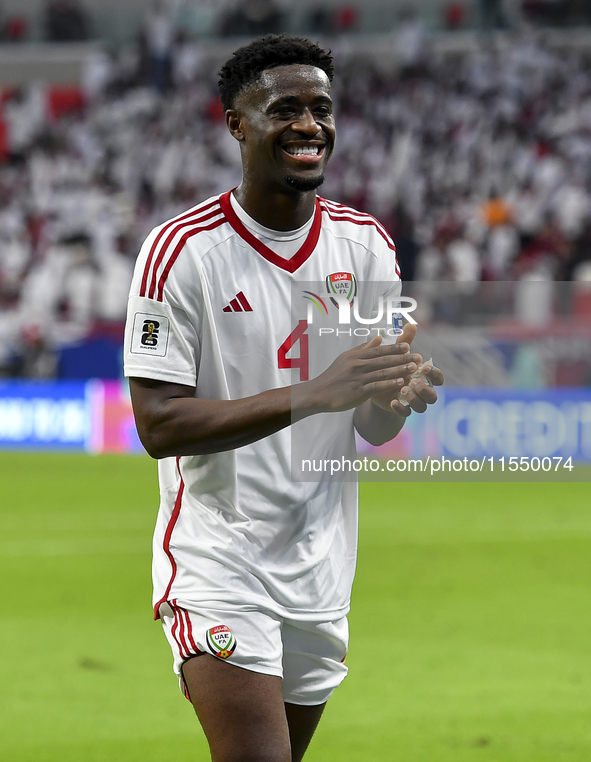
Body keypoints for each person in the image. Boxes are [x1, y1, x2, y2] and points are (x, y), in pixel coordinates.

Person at [124, 34, 443, 762]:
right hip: (218, 556)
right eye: (285, 108)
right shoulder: (180, 250)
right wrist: (313, 392)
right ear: (237, 123)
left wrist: (395, 393)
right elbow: (158, 421)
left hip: (321, 563)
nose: (309, 125)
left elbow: (369, 422)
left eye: (321, 108)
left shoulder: (366, 247)